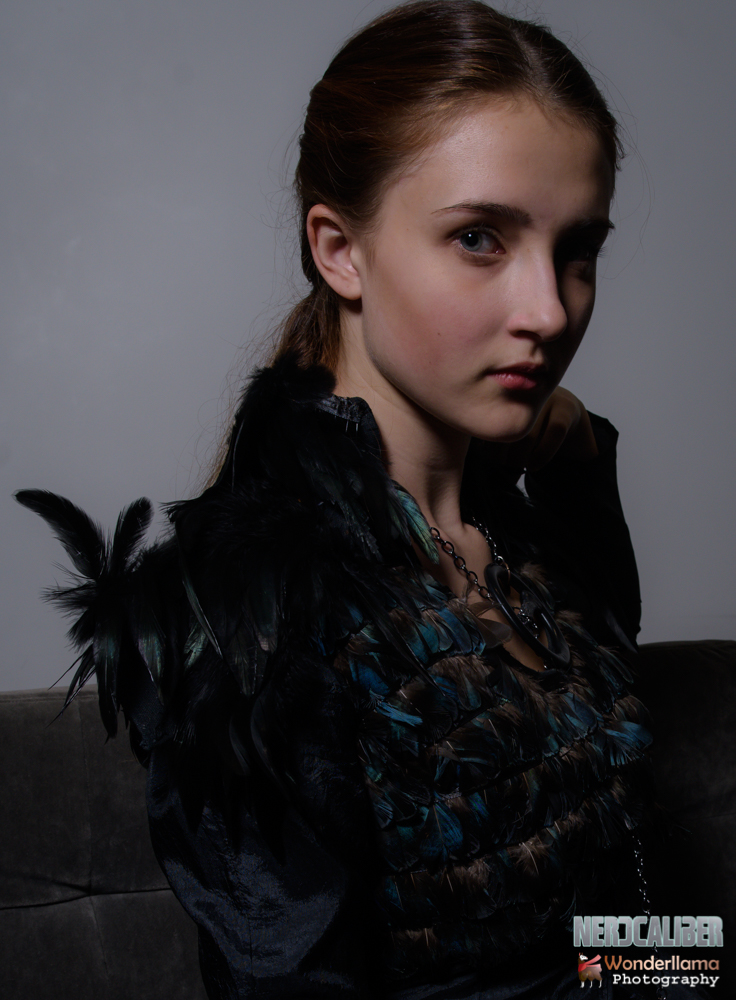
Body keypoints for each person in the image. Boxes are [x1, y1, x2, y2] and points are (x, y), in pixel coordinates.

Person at [15, 2, 709, 998]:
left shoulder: (517, 532)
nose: (550, 311)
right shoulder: (251, 617)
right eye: (479, 238)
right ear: (340, 250)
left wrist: (695, 963)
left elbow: (610, 925)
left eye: (577, 250)